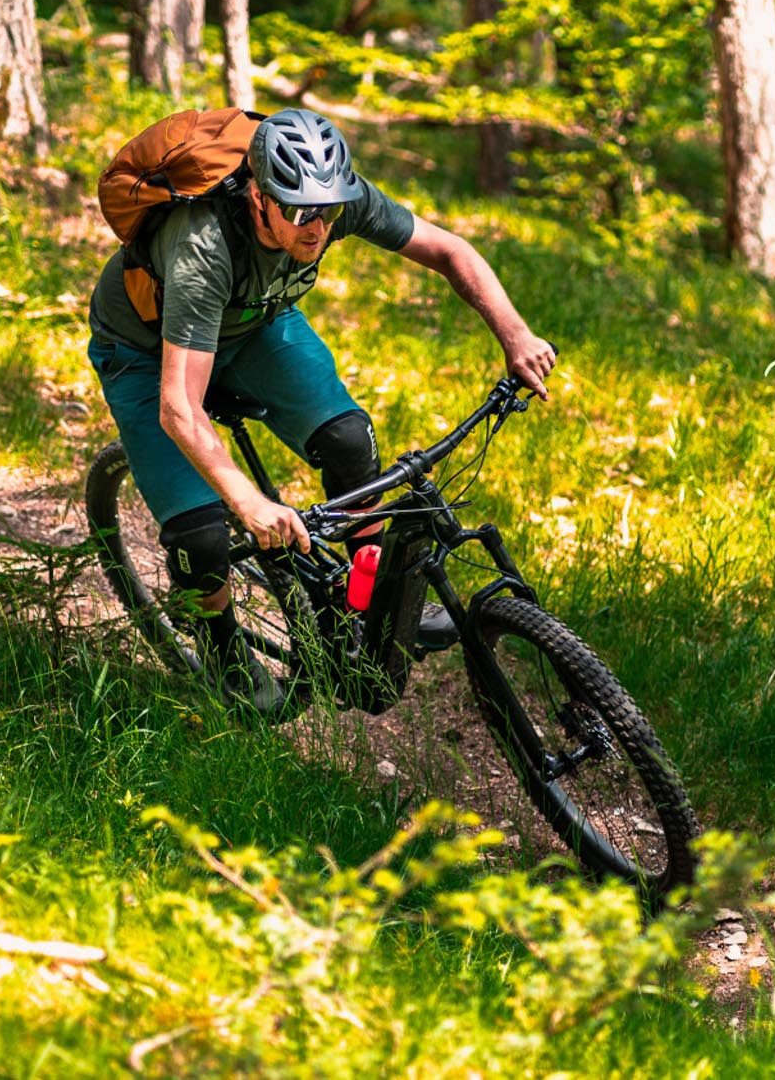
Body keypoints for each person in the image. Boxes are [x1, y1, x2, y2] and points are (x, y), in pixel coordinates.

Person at [86, 108, 556, 705]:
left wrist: (515, 334)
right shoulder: (203, 247)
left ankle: (369, 599)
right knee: (201, 539)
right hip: (146, 352)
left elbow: (449, 250)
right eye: (299, 212)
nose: (316, 227)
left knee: (349, 442)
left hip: (253, 324)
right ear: (258, 197)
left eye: (327, 212)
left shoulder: (332, 200)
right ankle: (220, 645)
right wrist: (249, 503)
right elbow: (179, 407)